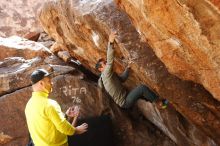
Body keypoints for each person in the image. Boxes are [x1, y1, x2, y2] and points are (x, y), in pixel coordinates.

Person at [96, 32, 168, 109]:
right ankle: (159, 104)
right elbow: (110, 61)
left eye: (105, 62)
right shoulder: (105, 75)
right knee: (142, 88)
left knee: (142, 91)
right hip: (125, 101)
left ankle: (157, 102)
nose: (106, 63)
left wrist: (128, 69)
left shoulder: (109, 75)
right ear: (101, 69)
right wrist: (110, 42)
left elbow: (122, 79)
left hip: (126, 96)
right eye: (104, 63)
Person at [25, 69, 88, 146]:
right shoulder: (49, 104)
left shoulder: (29, 105)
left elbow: (47, 124)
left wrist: (65, 116)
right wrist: (77, 130)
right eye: (49, 81)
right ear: (41, 83)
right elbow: (63, 128)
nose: (52, 83)